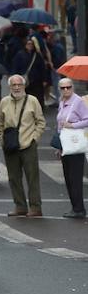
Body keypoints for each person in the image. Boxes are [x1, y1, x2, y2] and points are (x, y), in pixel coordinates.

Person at [0, 74, 45, 217]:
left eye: (19, 85)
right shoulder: (4, 102)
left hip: (28, 144)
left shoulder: (32, 101)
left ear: (24, 86)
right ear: (10, 87)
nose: (17, 87)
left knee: (32, 177)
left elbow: (40, 122)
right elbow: (0, 122)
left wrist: (34, 138)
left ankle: (36, 207)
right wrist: (1, 138)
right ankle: (20, 206)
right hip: (10, 145)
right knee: (14, 177)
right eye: (14, 85)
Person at [54, 78, 88, 219]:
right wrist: (58, 147)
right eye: (63, 88)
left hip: (75, 145)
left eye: (68, 87)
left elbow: (87, 119)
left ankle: (79, 209)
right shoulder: (62, 102)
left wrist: (72, 125)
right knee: (68, 178)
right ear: (59, 89)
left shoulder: (78, 101)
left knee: (75, 178)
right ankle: (75, 207)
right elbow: (59, 124)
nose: (66, 90)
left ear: (72, 87)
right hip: (65, 145)